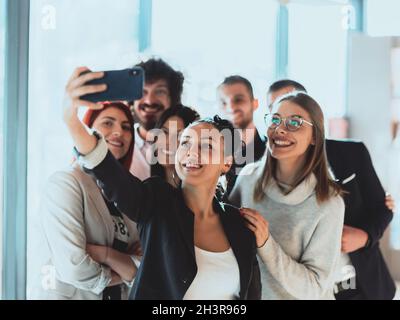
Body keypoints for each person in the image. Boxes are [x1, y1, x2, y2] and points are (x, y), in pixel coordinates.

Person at [62, 67, 261, 300]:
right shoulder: (157, 201)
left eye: (206, 145)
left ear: (226, 163)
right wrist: (71, 121)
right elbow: (110, 174)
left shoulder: (239, 226)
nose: (191, 153)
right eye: (186, 142)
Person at [267, 80, 396, 300]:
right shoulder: (260, 173)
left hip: (360, 284)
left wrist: (364, 237)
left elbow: (382, 208)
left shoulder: (352, 153)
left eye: (295, 114)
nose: (285, 122)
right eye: (277, 112)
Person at [230, 91, 345, 300]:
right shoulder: (247, 179)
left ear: (315, 137)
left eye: (295, 122)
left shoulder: (329, 203)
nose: (280, 129)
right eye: (275, 119)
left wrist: (266, 244)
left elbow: (315, 288)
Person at [29, 101, 140, 300]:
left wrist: (104, 254)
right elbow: (74, 268)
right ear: (88, 130)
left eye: (126, 127)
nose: (118, 132)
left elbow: (141, 265)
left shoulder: (130, 195)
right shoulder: (65, 183)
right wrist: (122, 271)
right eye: (108, 123)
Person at [128, 58, 185, 180]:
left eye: (159, 92)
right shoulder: (119, 144)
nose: (149, 100)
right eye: (142, 92)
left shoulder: (188, 145)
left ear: (173, 100)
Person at [218, 76, 266, 196]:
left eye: (238, 100)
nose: (231, 108)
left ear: (254, 104)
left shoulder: (271, 154)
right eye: (224, 102)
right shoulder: (212, 155)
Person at [150, 105, 200, 186]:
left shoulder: (200, 195)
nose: (168, 142)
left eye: (179, 136)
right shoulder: (146, 188)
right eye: (165, 132)